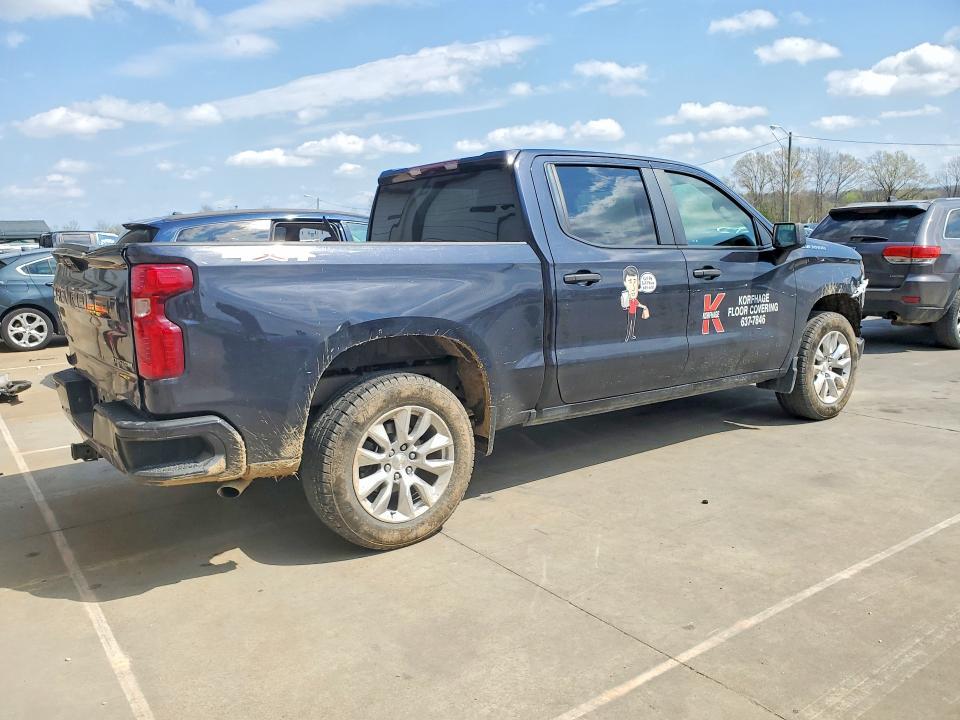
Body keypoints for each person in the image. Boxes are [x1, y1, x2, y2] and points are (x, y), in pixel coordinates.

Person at [620, 265, 650, 342]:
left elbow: (638, 305)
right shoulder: (628, 299)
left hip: (634, 314)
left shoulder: (635, 300)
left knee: (632, 324)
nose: (633, 286)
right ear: (625, 283)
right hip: (630, 314)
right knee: (629, 325)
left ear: (638, 282)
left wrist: (644, 307)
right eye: (630, 281)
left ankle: (632, 335)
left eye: (635, 281)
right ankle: (627, 336)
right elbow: (625, 305)